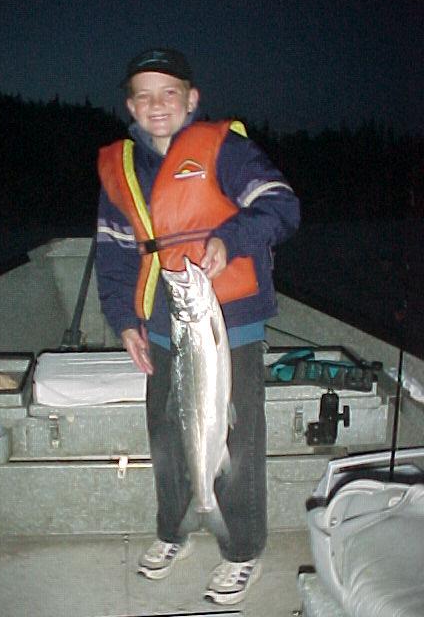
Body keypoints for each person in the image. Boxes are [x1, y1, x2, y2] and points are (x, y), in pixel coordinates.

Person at [95, 48, 300, 605]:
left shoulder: (226, 150)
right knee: (169, 437)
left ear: (192, 98)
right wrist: (124, 322)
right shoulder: (121, 168)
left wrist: (229, 239)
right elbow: (113, 253)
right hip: (162, 331)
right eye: (143, 94)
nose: (156, 105)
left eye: (169, 92)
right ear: (130, 104)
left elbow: (282, 206)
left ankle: (242, 550)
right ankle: (177, 528)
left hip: (228, 328)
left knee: (235, 439)